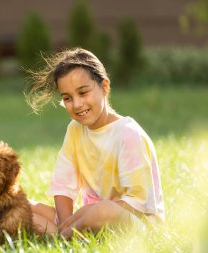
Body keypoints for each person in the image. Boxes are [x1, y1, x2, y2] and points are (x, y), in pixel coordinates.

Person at [26, 48, 165, 239]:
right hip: (87, 220)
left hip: (138, 225)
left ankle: (64, 236)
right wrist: (68, 221)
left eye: (83, 93)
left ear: (105, 87)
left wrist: (89, 215)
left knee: (103, 210)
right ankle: (67, 236)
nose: (76, 104)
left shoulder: (128, 134)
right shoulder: (75, 130)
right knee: (24, 209)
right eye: (67, 98)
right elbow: (63, 186)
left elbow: (138, 203)